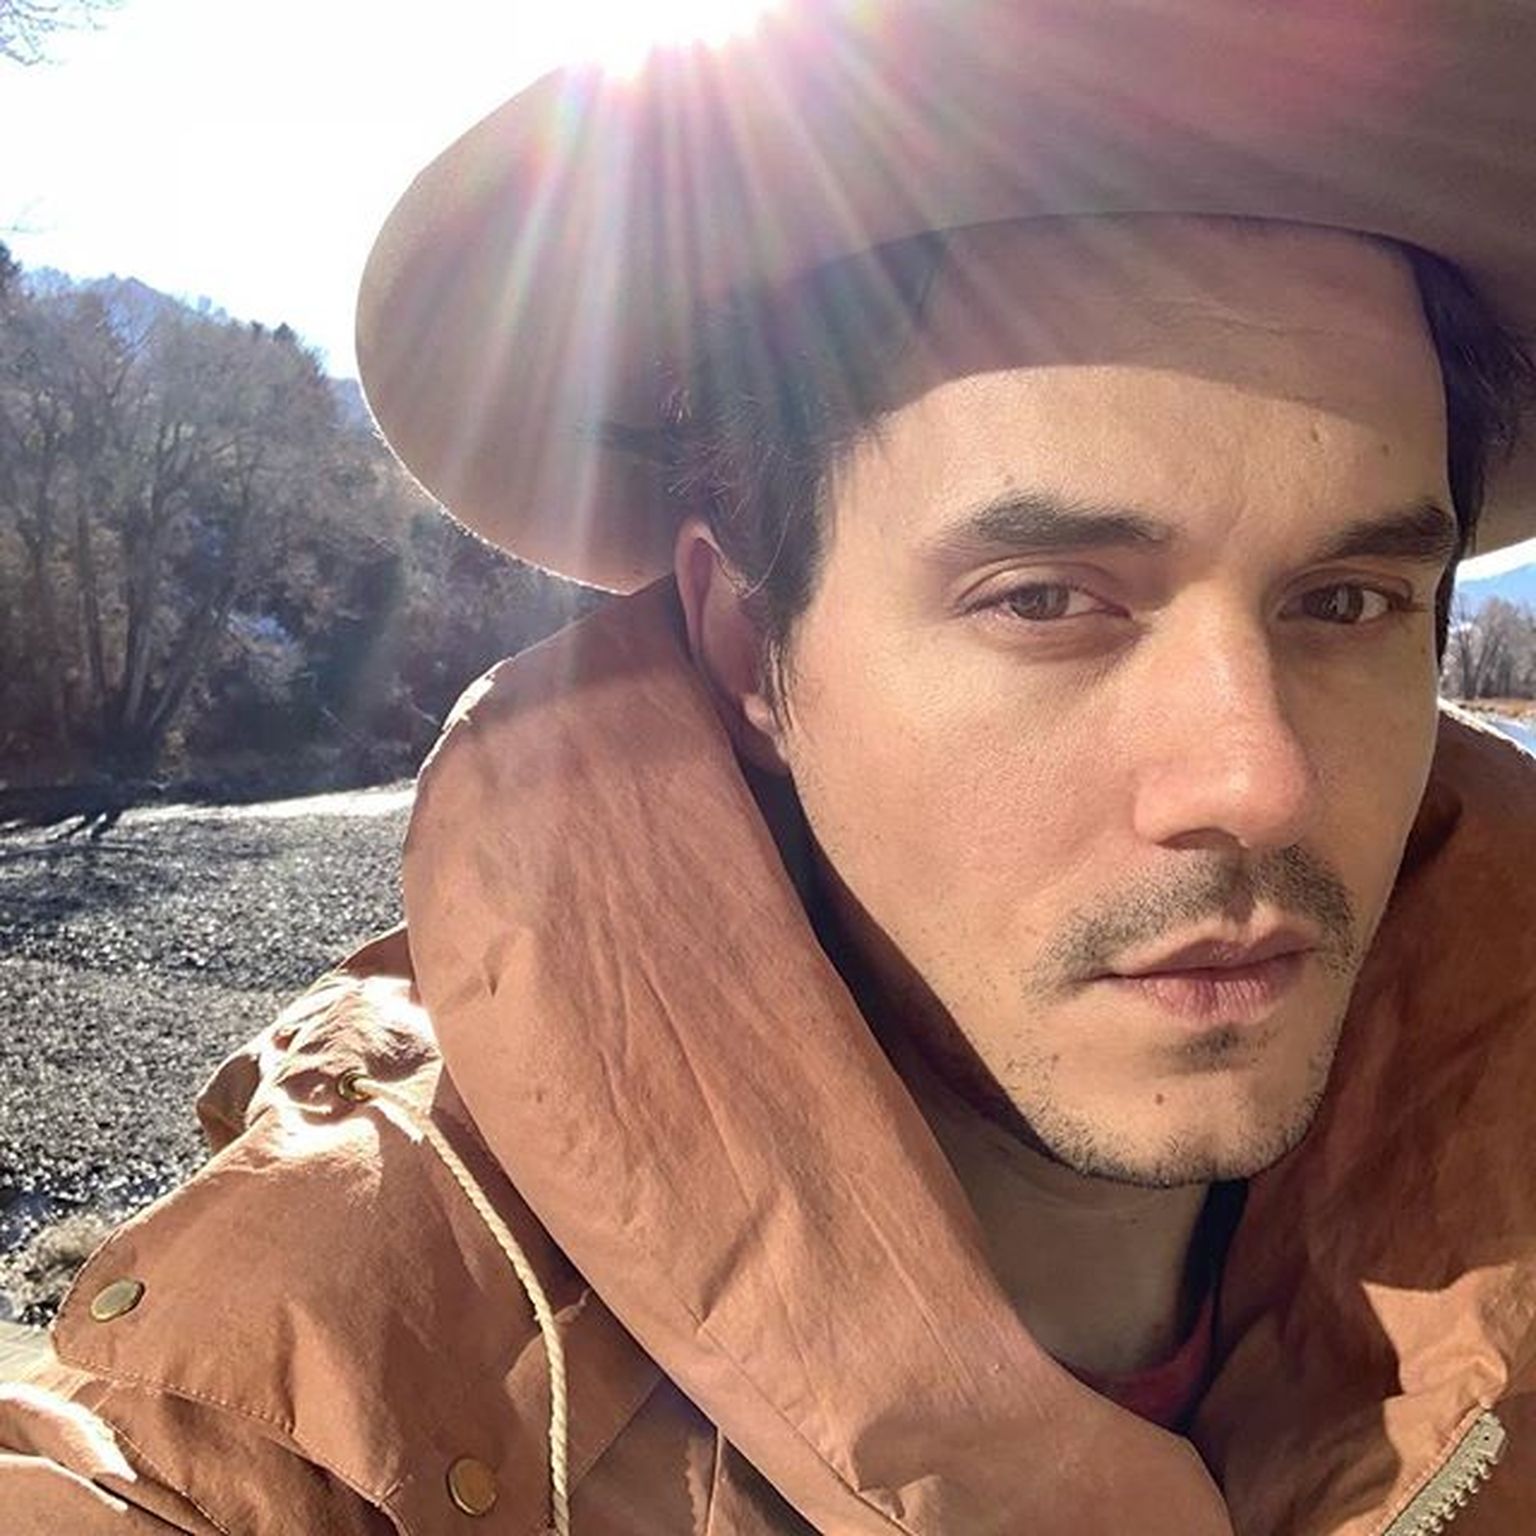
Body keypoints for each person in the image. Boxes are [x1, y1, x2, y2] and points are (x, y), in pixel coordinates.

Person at [5, 2, 1536, 1531]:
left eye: (1349, 604)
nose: (1259, 782)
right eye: (1046, 601)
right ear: (751, 651)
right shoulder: (317, 1404)